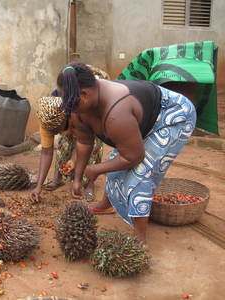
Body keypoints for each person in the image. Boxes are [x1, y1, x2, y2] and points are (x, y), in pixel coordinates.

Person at [57, 62, 196, 242]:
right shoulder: (78, 106)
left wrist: (96, 169)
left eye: (67, 100)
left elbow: (134, 156)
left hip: (173, 115)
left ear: (84, 94)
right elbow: (84, 143)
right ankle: (107, 204)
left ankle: (140, 237)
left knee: (141, 174)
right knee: (114, 161)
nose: (66, 106)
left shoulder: (117, 112)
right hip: (141, 119)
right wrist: (77, 178)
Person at [30, 93, 103, 203]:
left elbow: (83, 142)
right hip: (70, 125)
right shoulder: (46, 120)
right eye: (52, 132)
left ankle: (89, 183)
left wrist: (74, 161)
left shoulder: (79, 113)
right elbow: (46, 153)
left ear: (66, 118)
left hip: (91, 125)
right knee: (63, 144)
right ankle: (57, 178)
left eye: (57, 130)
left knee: (93, 146)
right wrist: (38, 186)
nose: (55, 134)